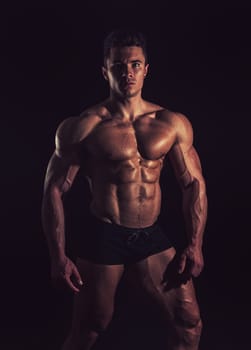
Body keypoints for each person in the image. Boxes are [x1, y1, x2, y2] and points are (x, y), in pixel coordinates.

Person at [41, 28, 208, 350]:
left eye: (134, 64)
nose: (127, 72)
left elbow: (193, 183)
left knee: (189, 323)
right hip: (105, 235)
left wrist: (195, 244)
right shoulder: (84, 126)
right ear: (106, 71)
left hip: (151, 236)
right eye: (119, 66)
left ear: (146, 69)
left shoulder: (171, 123)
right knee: (91, 327)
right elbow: (54, 189)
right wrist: (57, 256)